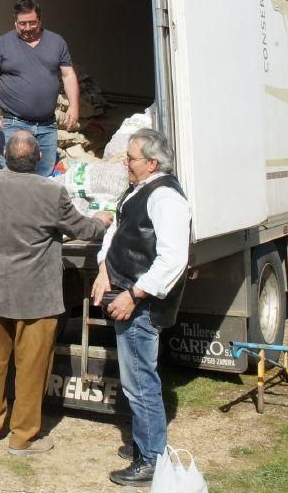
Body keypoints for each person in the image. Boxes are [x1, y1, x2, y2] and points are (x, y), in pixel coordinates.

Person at [0, 131, 111, 454]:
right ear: (40, 158)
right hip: (37, 299)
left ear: (4, 156)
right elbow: (82, 229)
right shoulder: (51, 192)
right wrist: (102, 221)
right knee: (32, 366)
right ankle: (23, 437)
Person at [91, 128, 191, 487]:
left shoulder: (167, 199)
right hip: (124, 294)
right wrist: (104, 269)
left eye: (131, 157)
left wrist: (134, 294)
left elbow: (173, 260)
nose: (125, 162)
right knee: (135, 378)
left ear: (150, 163)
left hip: (140, 306)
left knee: (140, 382)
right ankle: (144, 442)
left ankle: (151, 459)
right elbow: (116, 232)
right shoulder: (139, 191)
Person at [0, 0, 80, 176]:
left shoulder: (56, 42)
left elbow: (68, 75)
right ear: (15, 22)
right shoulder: (2, 44)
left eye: (32, 23)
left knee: (45, 176)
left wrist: (73, 106)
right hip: (13, 123)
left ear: (40, 20)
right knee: (11, 175)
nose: (27, 28)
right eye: (22, 24)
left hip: (47, 126)